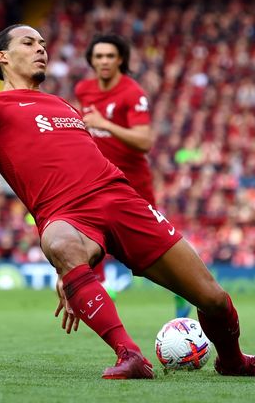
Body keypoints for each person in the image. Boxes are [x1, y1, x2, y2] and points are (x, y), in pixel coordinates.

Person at [0, 24, 255, 380]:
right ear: (2, 56)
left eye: (44, 44)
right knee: (60, 245)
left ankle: (234, 361)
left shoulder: (64, 104)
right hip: (66, 214)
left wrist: (75, 278)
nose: (41, 49)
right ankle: (130, 354)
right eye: (30, 42)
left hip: (121, 199)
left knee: (212, 297)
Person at [75, 34, 191, 318]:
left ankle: (183, 288)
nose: (103, 61)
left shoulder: (132, 93)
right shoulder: (83, 89)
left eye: (110, 56)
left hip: (132, 183)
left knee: (152, 250)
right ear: (91, 60)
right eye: (98, 56)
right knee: (88, 231)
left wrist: (105, 124)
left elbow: (144, 141)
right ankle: (99, 288)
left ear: (121, 60)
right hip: (97, 180)